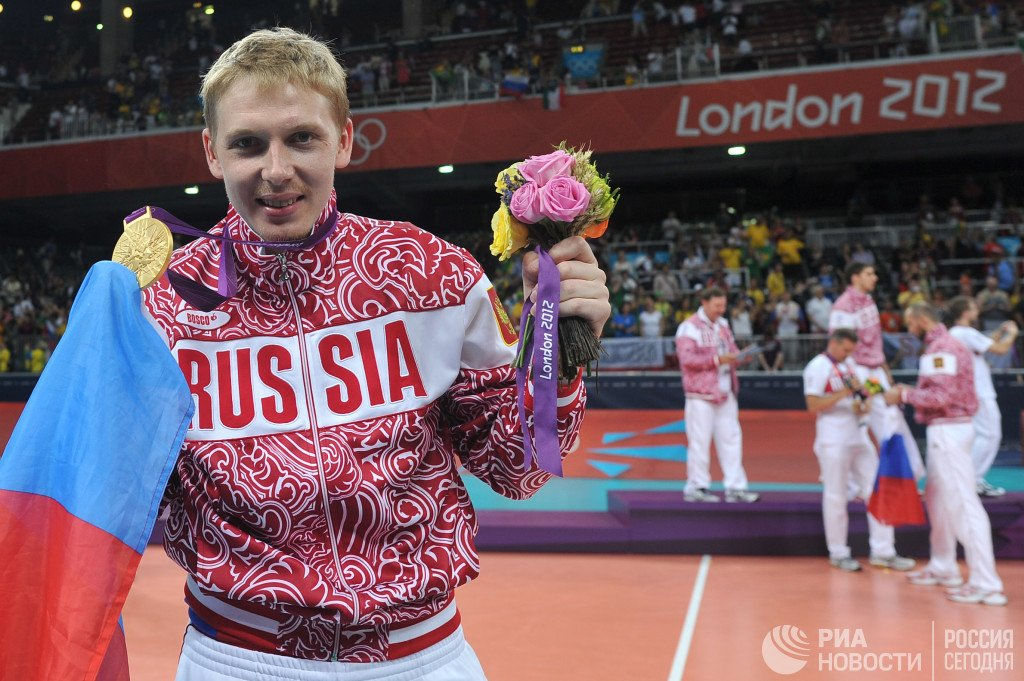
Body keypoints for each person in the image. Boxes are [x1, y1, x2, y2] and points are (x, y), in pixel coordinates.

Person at [139, 28, 611, 678]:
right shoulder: (160, 306)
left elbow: (519, 468)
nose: (276, 170)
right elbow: (113, 495)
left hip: (420, 660)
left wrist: (556, 346)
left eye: (301, 137)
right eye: (248, 143)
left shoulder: (431, 275)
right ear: (212, 152)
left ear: (345, 138)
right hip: (236, 660)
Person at [885, 303, 1006, 606]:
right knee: (938, 499)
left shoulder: (942, 349)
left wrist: (902, 394)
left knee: (964, 505)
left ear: (922, 319)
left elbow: (940, 397)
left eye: (910, 323)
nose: (908, 328)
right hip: (945, 430)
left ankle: (986, 583)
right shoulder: (943, 347)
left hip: (949, 431)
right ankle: (944, 565)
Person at [803, 329, 916, 572]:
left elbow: (859, 396)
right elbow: (813, 405)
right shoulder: (817, 367)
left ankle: (884, 551)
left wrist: (862, 404)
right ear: (833, 343)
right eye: (845, 350)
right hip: (833, 439)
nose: (848, 354)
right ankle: (838, 552)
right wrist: (845, 392)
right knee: (836, 495)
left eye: (851, 351)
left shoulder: (849, 365)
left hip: (858, 435)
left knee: (878, 490)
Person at [829, 263, 925, 479]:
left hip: (875, 369)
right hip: (860, 371)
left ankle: (909, 473)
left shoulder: (869, 301)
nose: (875, 277)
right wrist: (852, 378)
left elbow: (875, 343)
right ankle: (898, 475)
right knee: (882, 417)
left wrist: (885, 371)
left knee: (891, 416)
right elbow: (838, 346)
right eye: (869, 274)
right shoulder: (844, 306)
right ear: (855, 277)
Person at [675, 287, 759, 503]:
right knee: (699, 441)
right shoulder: (688, 328)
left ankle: (736, 487)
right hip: (700, 394)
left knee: (731, 439)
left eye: (723, 305)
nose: (721, 310)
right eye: (717, 306)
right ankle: (697, 487)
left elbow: (729, 351)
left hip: (725, 390)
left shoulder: (723, 325)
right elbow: (687, 360)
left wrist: (740, 357)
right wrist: (716, 361)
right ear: (704, 302)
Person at [947, 296, 1018, 498]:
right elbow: (1000, 349)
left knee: (982, 436)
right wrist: (1011, 334)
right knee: (990, 435)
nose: (976, 309)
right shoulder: (965, 332)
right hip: (979, 392)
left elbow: (987, 342)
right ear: (965, 312)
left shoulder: (957, 333)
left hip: (972, 391)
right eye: (972, 306)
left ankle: (970, 479)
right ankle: (974, 480)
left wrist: (1000, 332)